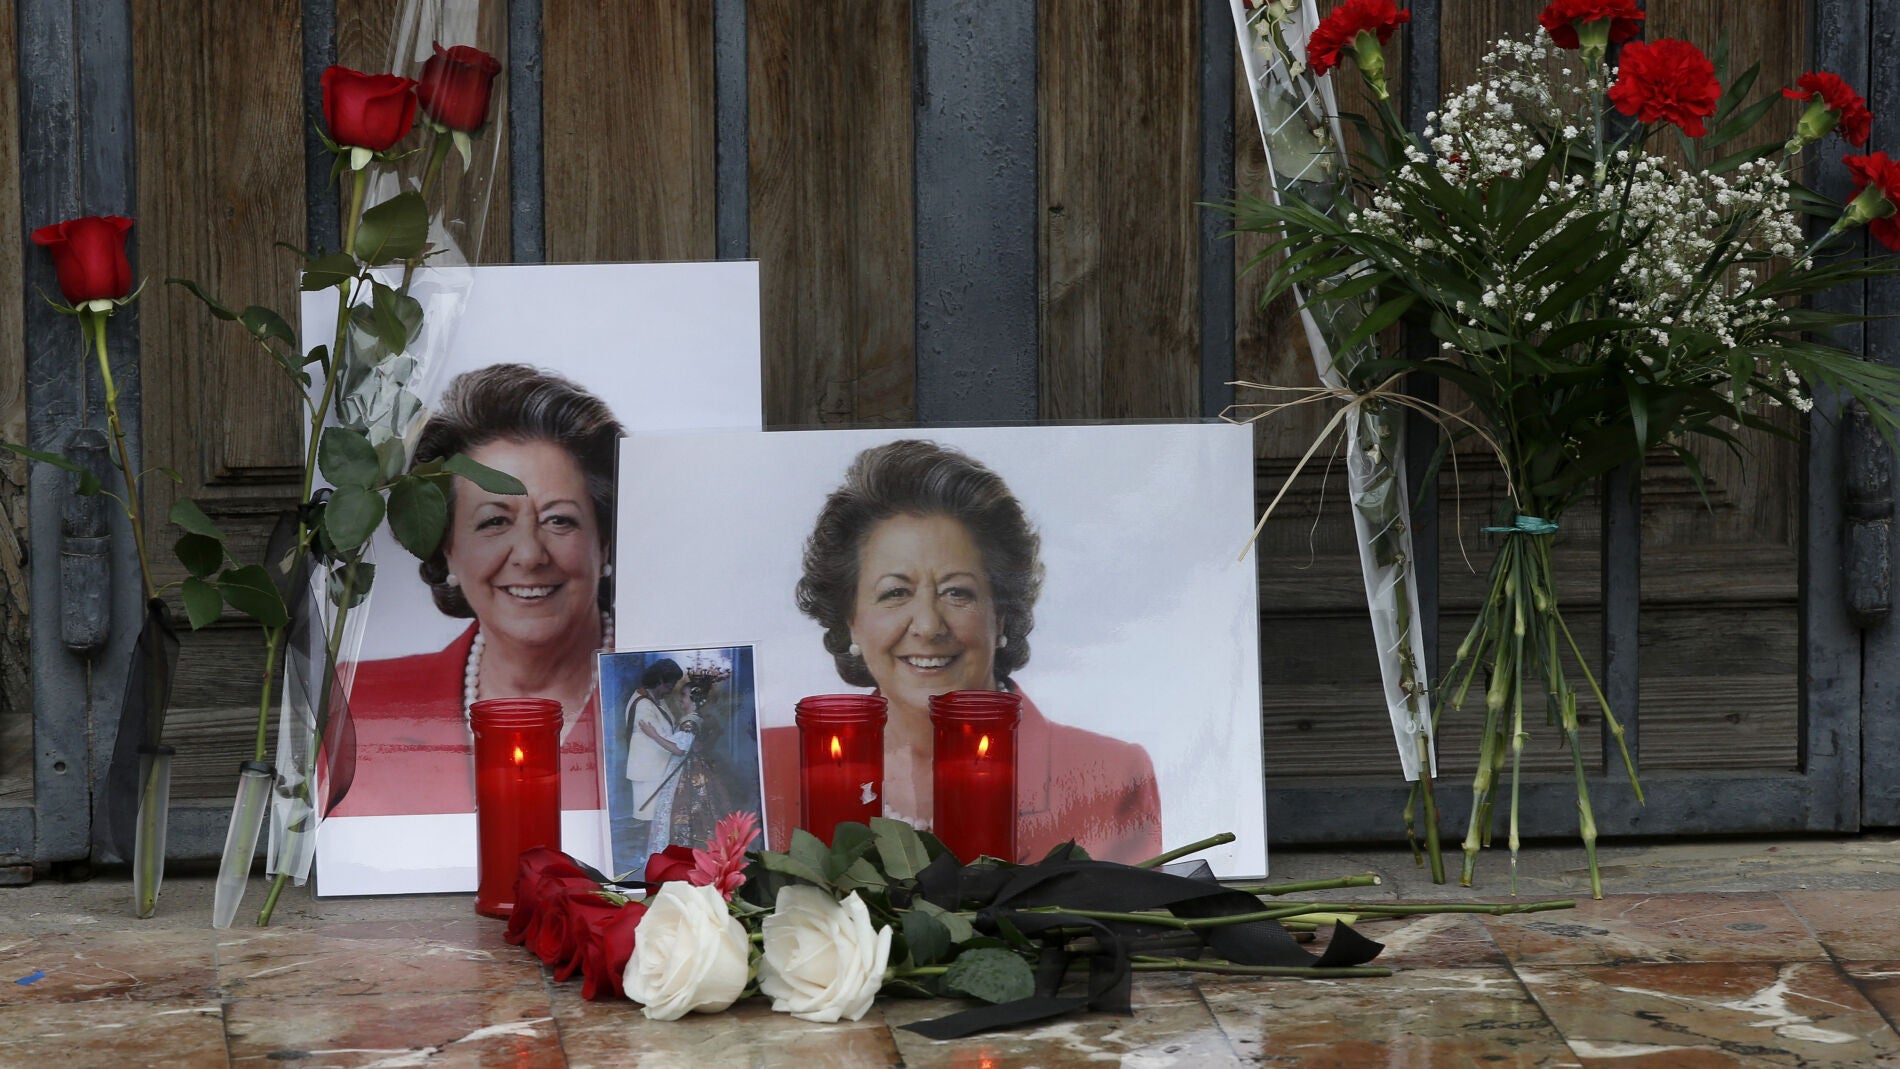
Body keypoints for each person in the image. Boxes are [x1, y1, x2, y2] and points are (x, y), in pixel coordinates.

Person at [764, 439, 1162, 863]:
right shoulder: (767, 769)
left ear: (1002, 615)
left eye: (958, 592)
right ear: (849, 621)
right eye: (895, 592)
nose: (929, 626)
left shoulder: (1111, 777)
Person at [332, 363, 621, 818]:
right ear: (448, 548)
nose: (529, 554)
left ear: (603, 541)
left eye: (559, 519)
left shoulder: (683, 700)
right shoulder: (357, 704)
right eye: (494, 521)